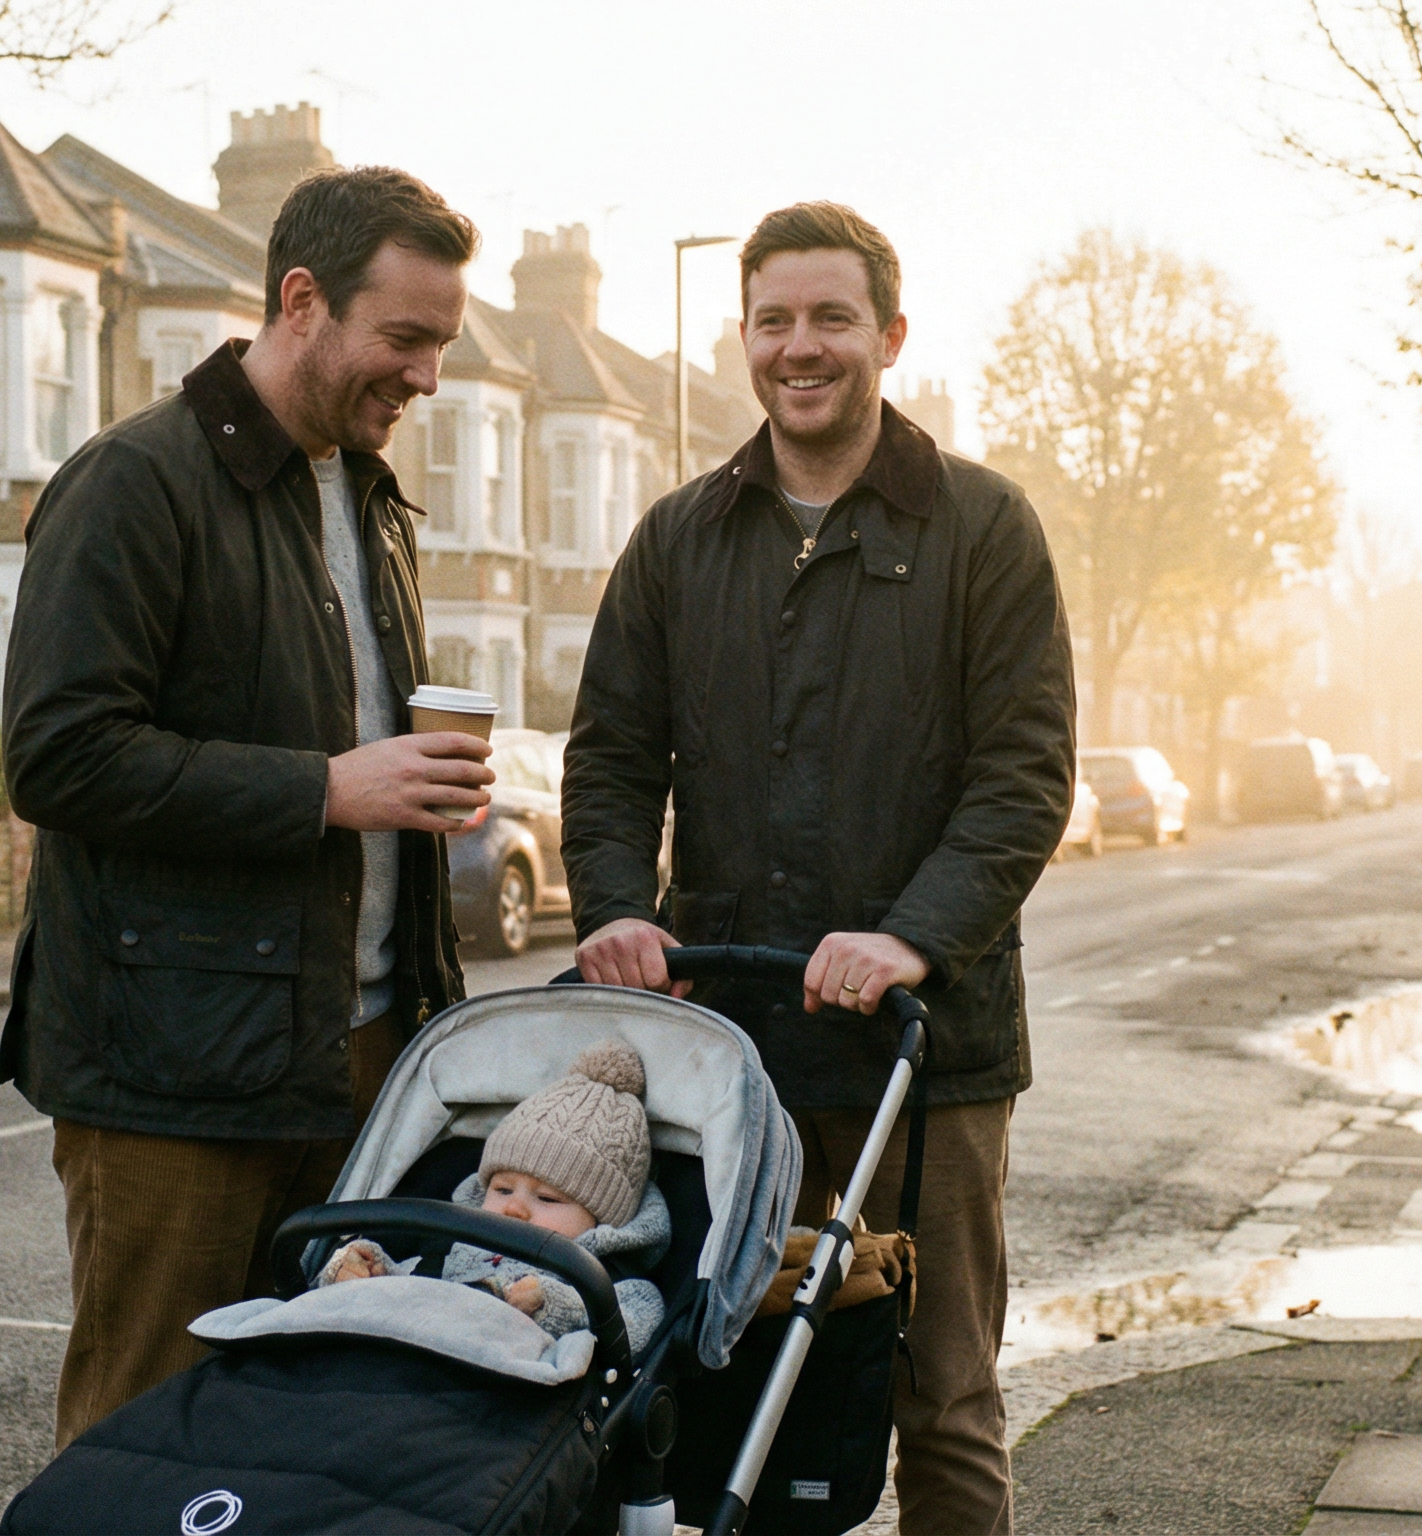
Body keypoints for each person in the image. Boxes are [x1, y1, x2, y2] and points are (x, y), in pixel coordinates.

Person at [562, 202, 1075, 1531]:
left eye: (831, 318)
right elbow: (610, 757)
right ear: (742, 339)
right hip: (738, 1057)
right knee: (727, 1382)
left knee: (941, 1394)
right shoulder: (679, 538)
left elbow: (1023, 776)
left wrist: (912, 936)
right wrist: (614, 909)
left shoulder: (983, 527)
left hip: (927, 1057)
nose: (801, 346)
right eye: (773, 319)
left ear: (889, 336)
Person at [0, 165, 491, 1450]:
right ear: (302, 300)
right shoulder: (131, 481)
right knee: (144, 1434)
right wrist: (325, 789)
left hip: (362, 1057)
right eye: (406, 338)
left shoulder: (370, 497)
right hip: (173, 1076)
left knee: (315, 1441)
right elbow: (57, 756)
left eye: (440, 344)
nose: (428, 376)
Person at [317, 1039, 670, 1350]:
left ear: (603, 1222)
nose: (514, 1207)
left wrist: (554, 1305)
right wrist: (373, 1273)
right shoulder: (455, 1248)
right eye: (502, 1189)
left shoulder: (602, 1279)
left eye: (547, 1198)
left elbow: (637, 1320)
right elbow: (420, 1290)